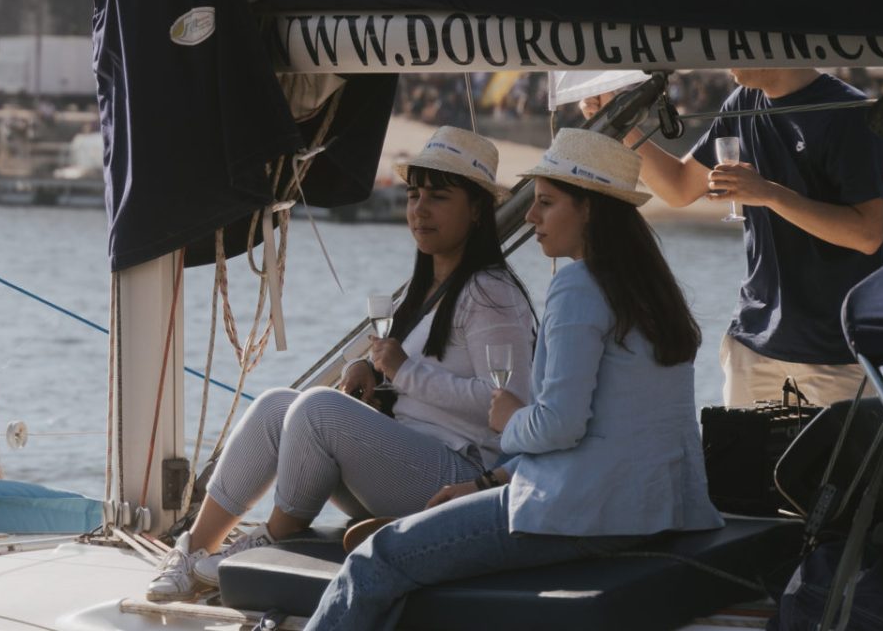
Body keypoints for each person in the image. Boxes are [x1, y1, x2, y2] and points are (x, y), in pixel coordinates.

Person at [302, 129, 723, 631]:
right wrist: (487, 481)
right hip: (659, 511)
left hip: (582, 515)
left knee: (378, 559)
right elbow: (606, 431)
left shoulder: (578, 285)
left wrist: (509, 420)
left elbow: (558, 426)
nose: (529, 216)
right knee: (412, 551)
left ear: (588, 208)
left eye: (545, 203)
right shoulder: (652, 292)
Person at [145, 127, 537, 602]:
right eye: (414, 195)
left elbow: (509, 410)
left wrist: (403, 372)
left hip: (462, 479)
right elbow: (433, 375)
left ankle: (266, 545)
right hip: (414, 463)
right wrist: (373, 374)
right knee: (276, 406)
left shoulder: (490, 292)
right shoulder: (432, 287)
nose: (419, 209)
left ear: (476, 209)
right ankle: (192, 552)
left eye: (438, 197)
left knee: (318, 411)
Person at [592, 68, 883, 407]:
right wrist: (621, 127)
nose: (724, 59)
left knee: (842, 462)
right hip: (751, 343)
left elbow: (867, 234)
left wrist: (768, 194)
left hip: (834, 352)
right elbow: (678, 187)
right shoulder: (743, 102)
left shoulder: (847, 111)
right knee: (737, 460)